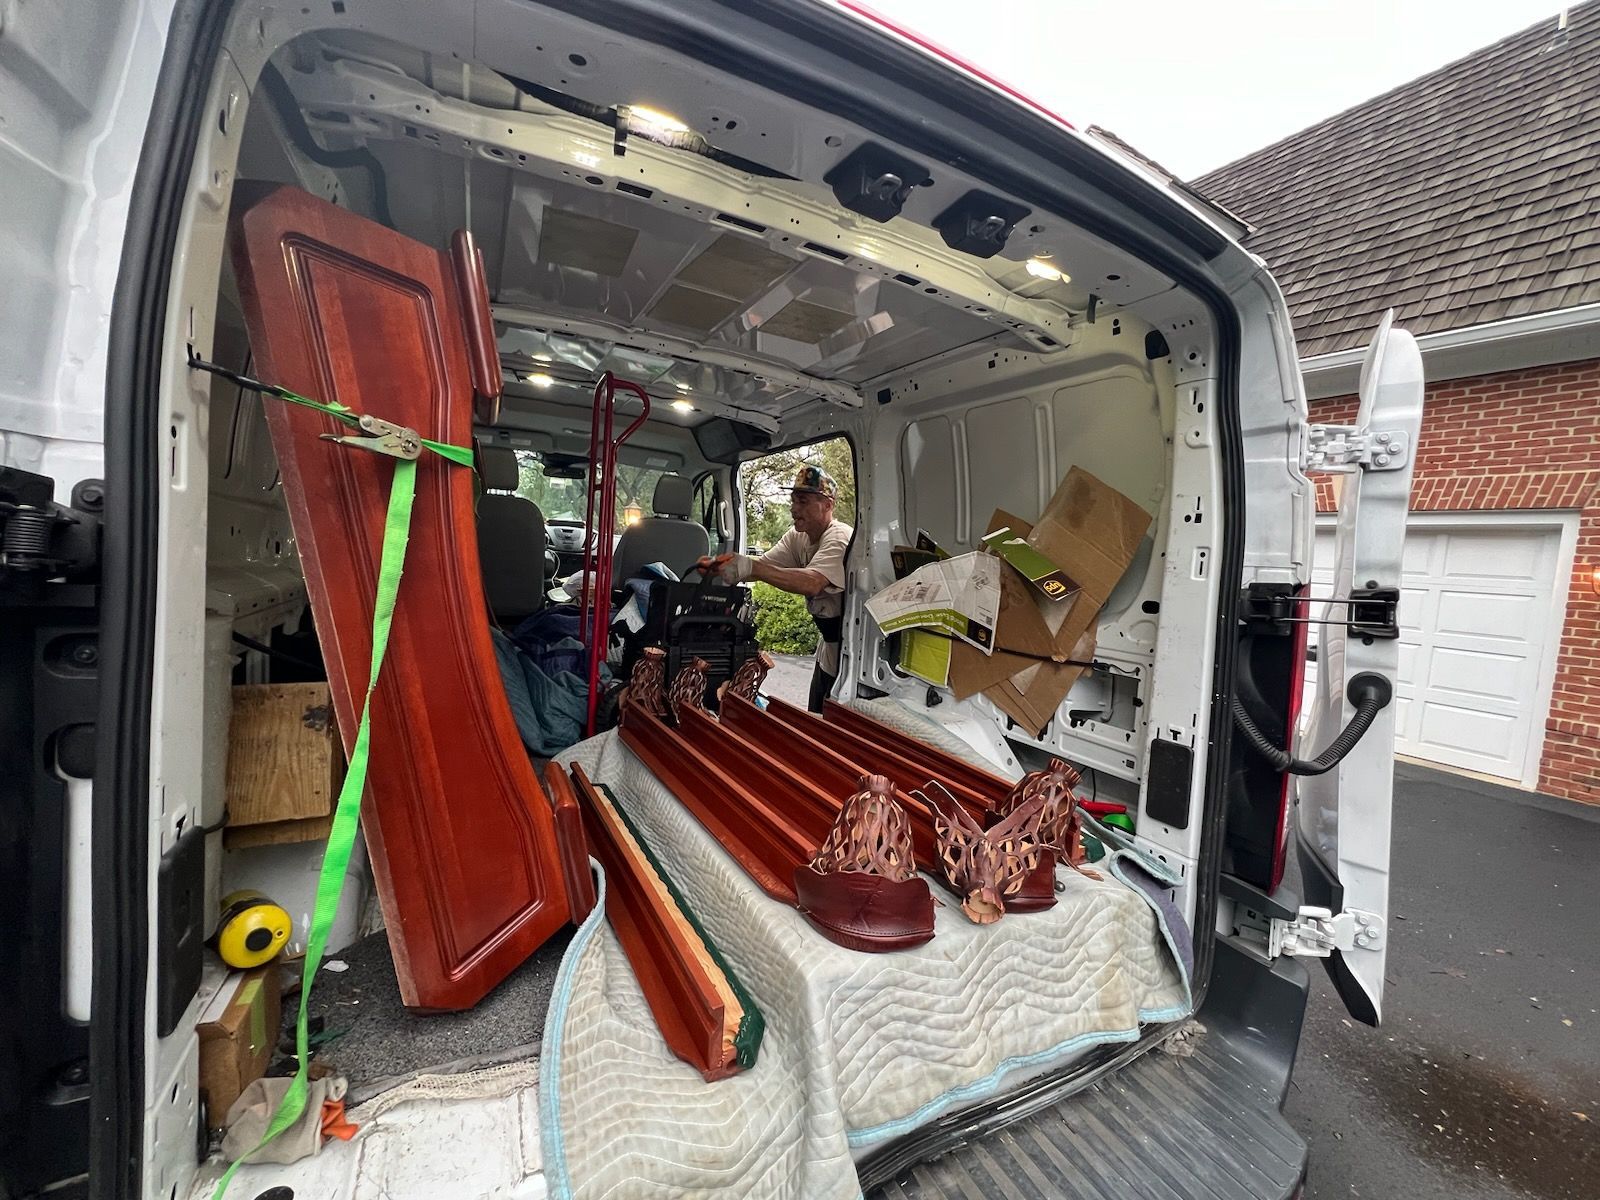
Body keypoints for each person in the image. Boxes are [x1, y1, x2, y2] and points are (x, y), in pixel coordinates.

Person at [704, 464, 852, 713]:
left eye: (803, 501)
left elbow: (812, 583)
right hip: (827, 651)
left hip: (848, 655)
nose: (794, 509)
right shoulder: (799, 537)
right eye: (793, 500)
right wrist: (718, 566)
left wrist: (751, 568)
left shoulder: (838, 537)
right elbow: (765, 565)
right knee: (815, 714)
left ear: (828, 505)